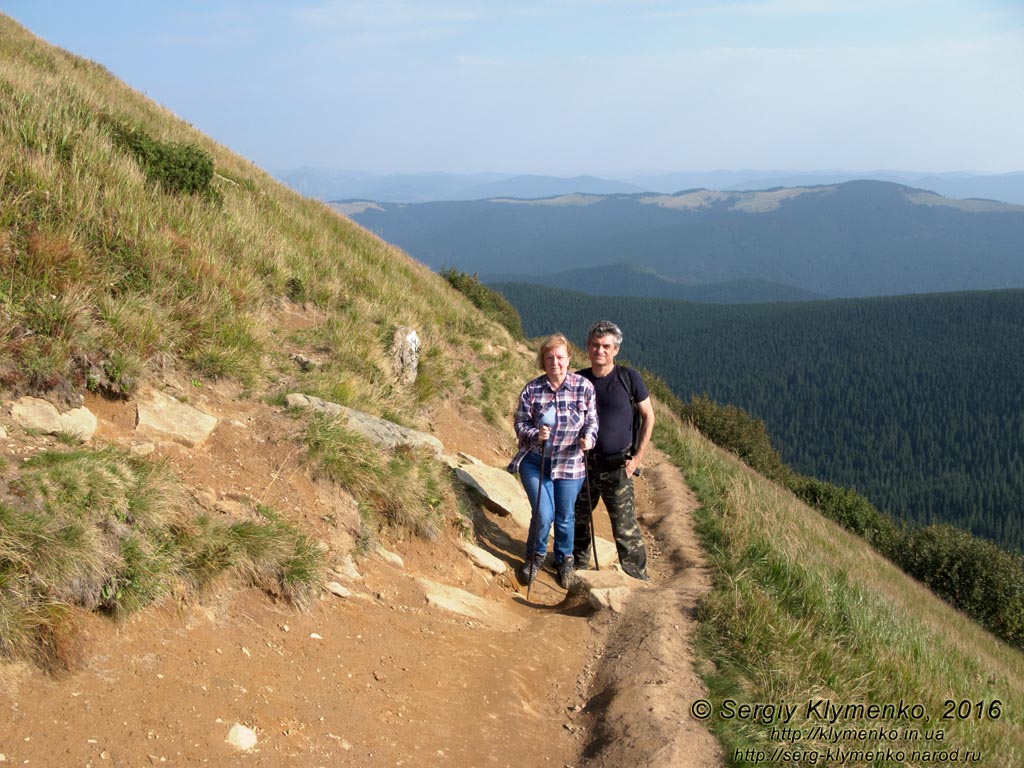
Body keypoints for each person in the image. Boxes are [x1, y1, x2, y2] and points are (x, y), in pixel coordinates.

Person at [508, 333, 598, 589]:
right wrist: (536, 434)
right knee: (544, 514)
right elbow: (520, 424)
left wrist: (589, 439)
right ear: (542, 361)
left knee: (566, 516)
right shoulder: (532, 389)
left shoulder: (584, 387)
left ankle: (564, 559)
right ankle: (534, 557)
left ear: (569, 358)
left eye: (560, 357)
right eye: (549, 358)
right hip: (536, 462)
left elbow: (592, 421)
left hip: (571, 464)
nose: (555, 363)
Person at [573, 320, 655, 580]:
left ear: (616, 349)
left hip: (618, 466)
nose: (600, 350)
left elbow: (648, 417)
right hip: (583, 466)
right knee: (578, 521)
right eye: (595, 345)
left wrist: (637, 459)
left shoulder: (629, 378)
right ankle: (577, 572)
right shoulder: (578, 380)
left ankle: (637, 579)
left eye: (606, 346)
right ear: (588, 347)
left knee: (625, 527)